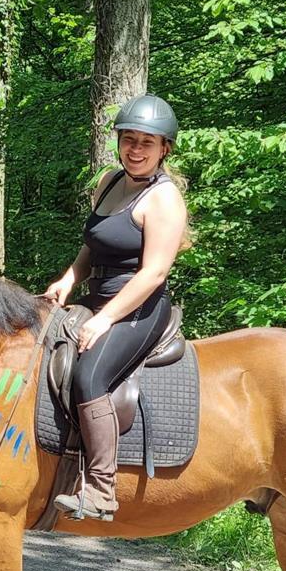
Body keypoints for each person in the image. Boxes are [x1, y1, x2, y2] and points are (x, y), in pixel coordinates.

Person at [43, 94, 189, 521]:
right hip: (97, 295)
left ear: (165, 148)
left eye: (147, 142)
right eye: (129, 139)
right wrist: (70, 278)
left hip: (139, 308)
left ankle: (102, 489)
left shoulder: (164, 200)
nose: (136, 149)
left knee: (90, 376)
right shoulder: (109, 181)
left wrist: (105, 319)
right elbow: (95, 243)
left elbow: (153, 274)